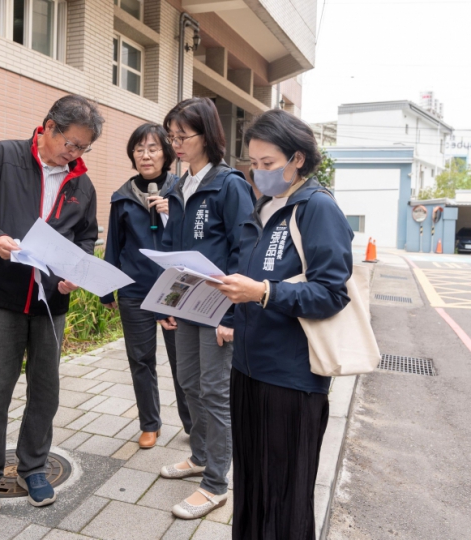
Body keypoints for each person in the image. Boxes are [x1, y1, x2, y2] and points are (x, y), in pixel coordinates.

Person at [209, 109, 354, 539]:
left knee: (286, 492)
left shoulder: (316, 208)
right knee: (252, 483)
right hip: (248, 369)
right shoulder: (262, 207)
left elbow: (332, 293)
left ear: (297, 159)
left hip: (291, 379)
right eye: (253, 163)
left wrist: (263, 292)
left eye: (268, 164)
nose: (258, 173)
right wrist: (228, 311)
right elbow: (247, 277)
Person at [0, 95, 104, 517]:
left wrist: (77, 269)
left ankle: (34, 465)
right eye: (71, 144)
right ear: (49, 127)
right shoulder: (2, 157)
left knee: (45, 388)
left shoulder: (81, 184)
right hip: (2, 293)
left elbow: (86, 236)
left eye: (82, 148)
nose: (74, 154)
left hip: (52, 301)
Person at [157, 97, 256, 520]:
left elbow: (244, 249)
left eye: (184, 136)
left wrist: (233, 317)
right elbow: (176, 251)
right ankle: (199, 456)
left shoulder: (229, 184)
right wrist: (169, 300)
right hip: (191, 303)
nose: (175, 144)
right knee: (188, 381)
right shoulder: (180, 186)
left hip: (220, 307)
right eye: (172, 136)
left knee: (215, 391)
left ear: (208, 135)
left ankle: (216, 482)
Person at [99, 123, 192, 448]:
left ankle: (192, 424)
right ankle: (150, 424)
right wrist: (105, 289)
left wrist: (174, 213)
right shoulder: (122, 197)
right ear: (132, 155)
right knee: (141, 360)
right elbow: (114, 245)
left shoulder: (182, 191)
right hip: (135, 291)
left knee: (183, 360)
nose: (146, 155)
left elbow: (194, 241)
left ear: (166, 153)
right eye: (139, 149)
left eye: (153, 148)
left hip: (175, 290)